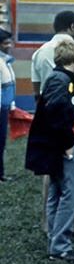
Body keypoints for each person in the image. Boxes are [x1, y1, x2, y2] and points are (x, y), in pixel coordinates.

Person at [31, 10, 74, 235]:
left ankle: (48, 224)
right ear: (71, 27)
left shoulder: (39, 53)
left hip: (48, 120)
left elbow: (37, 93)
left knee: (50, 174)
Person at [25, 40, 74, 263]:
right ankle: (60, 246)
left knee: (56, 193)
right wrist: (68, 143)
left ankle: (54, 239)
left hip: (52, 146)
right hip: (61, 146)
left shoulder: (55, 78)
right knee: (72, 195)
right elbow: (57, 114)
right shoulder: (63, 82)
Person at [0, 28, 16, 182]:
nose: (9, 45)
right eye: (5, 43)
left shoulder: (5, 60)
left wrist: (11, 104)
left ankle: (1, 172)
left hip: (3, 108)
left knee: (1, 142)